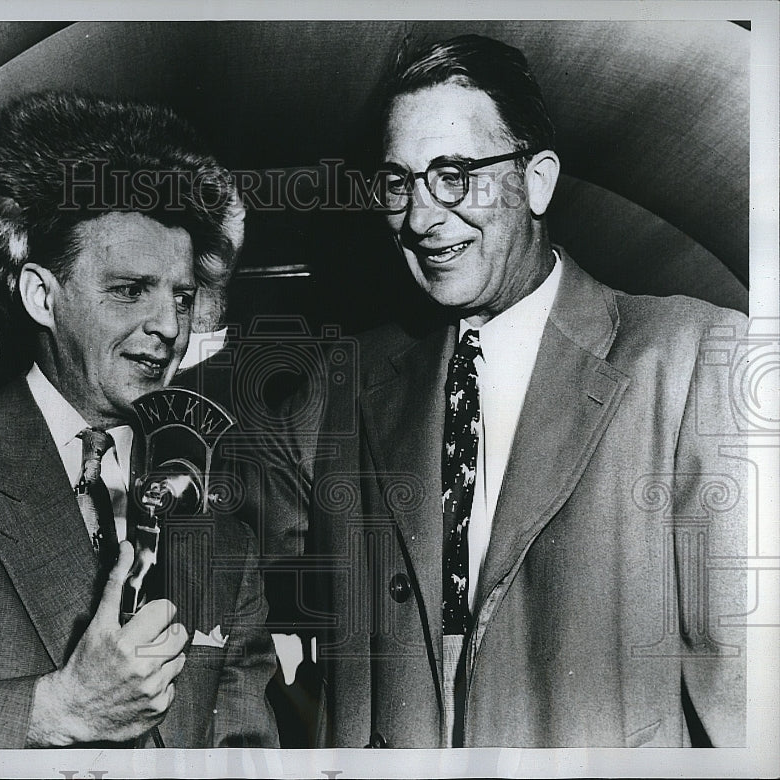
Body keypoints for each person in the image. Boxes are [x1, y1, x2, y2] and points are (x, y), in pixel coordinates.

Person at [248, 34, 747, 747]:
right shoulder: (346, 382)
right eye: (398, 183)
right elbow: (223, 544)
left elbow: (747, 703)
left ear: (537, 181)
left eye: (453, 173)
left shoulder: (695, 360)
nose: (421, 220)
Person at [0, 91, 278, 749]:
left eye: (181, 295)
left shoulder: (219, 533)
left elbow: (247, 753)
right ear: (41, 295)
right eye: (128, 290)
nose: (170, 327)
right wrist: (60, 709)